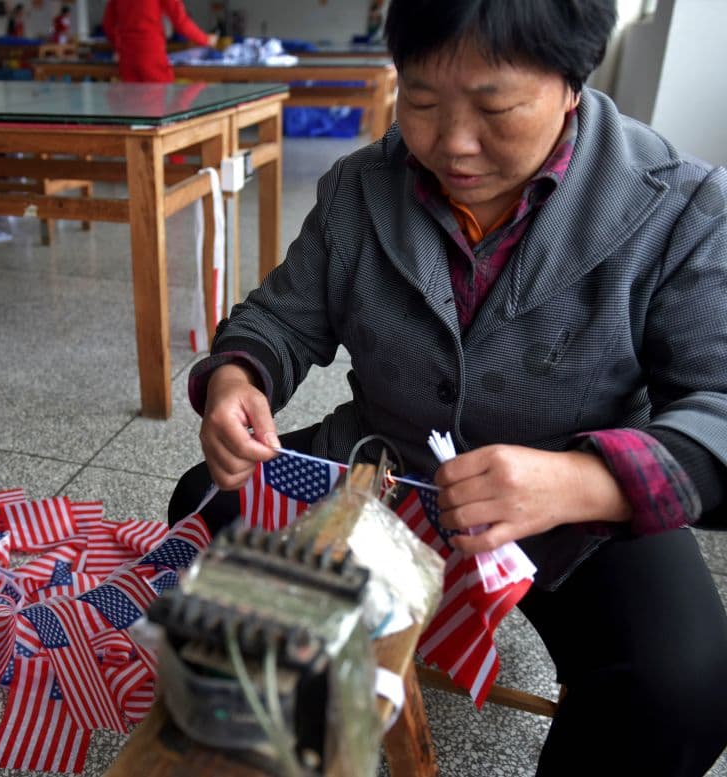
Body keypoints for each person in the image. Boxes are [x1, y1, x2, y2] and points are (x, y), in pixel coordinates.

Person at [168, 0, 727, 774]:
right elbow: (280, 320)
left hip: (578, 513)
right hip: (386, 472)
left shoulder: (679, 208)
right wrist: (238, 378)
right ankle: (306, 722)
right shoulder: (360, 190)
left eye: (495, 106)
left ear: (572, 82)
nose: (452, 143)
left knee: (684, 687)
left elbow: (718, 407)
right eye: (422, 101)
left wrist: (584, 479)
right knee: (210, 503)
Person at [101, 0, 217, 83]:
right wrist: (206, 39)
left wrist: (119, 47)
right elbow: (180, 21)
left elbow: (108, 25)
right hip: (151, 54)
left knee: (133, 108)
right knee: (161, 106)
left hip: (127, 58)